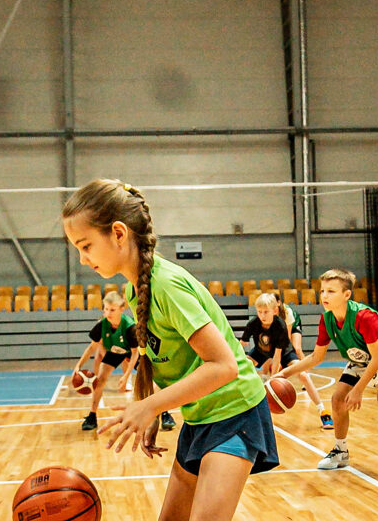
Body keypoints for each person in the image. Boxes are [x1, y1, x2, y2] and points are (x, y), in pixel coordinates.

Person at [63, 179, 278, 521]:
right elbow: (153, 359)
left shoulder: (167, 285)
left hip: (235, 412)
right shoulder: (136, 291)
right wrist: (148, 408)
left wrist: (150, 406)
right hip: (199, 418)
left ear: (119, 234)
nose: (83, 258)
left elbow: (224, 366)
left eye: (86, 245)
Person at [274, 268, 378, 481]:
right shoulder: (327, 319)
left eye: (331, 291)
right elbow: (316, 358)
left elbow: (377, 359)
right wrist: (283, 374)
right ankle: (341, 451)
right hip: (363, 356)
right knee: (337, 398)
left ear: (346, 295)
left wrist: (358, 390)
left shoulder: (364, 317)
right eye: (322, 291)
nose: (324, 296)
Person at [75, 290, 139, 430]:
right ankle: (92, 416)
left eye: (112, 309)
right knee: (100, 379)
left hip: (134, 351)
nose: (108, 313)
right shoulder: (102, 325)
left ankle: (163, 413)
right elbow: (91, 348)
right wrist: (78, 365)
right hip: (116, 350)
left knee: (148, 378)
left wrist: (126, 375)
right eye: (106, 309)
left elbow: (134, 354)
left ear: (122, 309)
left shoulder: (130, 327)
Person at [276, 295, 334, 429]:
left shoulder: (287, 313)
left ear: (277, 304)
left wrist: (286, 365)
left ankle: (322, 410)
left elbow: (286, 339)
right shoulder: (260, 323)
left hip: (288, 336)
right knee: (269, 372)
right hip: (274, 351)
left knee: (297, 349)